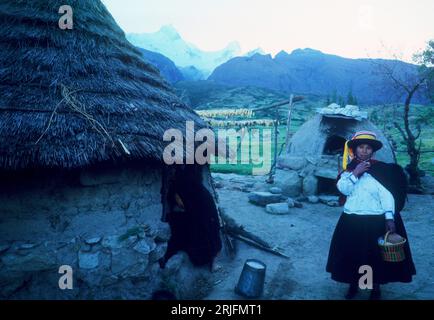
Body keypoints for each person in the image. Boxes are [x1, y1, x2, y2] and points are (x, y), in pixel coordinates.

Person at [326, 131, 416, 300]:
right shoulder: (349, 171)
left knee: (374, 256)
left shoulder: (381, 171)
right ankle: (355, 284)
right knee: (353, 254)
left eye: (368, 148)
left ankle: (374, 286)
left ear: (372, 151)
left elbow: (387, 196)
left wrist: (389, 218)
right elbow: (344, 189)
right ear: (355, 149)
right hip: (352, 220)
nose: (364, 151)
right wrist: (356, 173)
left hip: (375, 220)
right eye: (361, 147)